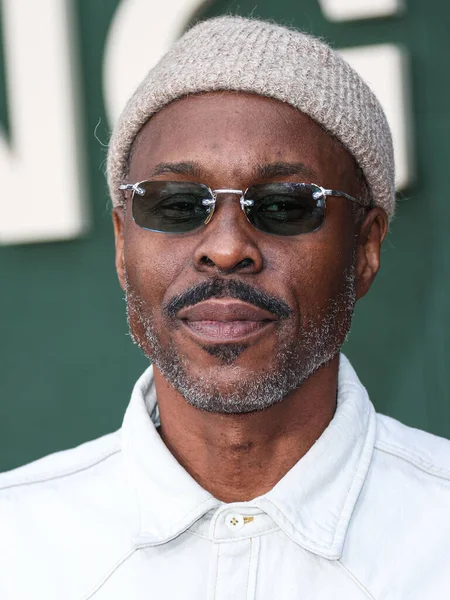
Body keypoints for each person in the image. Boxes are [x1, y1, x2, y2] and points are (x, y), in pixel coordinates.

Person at [1, 15, 449, 599]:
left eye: (286, 205)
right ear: (120, 243)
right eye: (178, 204)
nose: (226, 247)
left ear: (364, 248)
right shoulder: (17, 544)